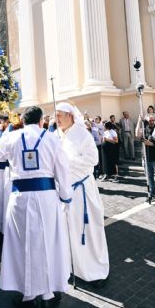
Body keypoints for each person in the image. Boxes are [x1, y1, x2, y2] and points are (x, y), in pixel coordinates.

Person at [0, 106, 73, 308]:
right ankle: (48, 293)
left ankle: (28, 294)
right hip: (46, 198)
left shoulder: (12, 137)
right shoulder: (52, 139)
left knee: (22, 243)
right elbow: (63, 169)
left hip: (20, 198)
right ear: (41, 121)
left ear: (22, 120)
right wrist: (66, 196)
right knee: (48, 242)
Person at [55, 103, 109, 286]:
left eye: (60, 115)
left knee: (87, 231)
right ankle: (73, 268)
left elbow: (92, 159)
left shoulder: (82, 134)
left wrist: (65, 161)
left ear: (70, 115)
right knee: (68, 231)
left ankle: (94, 270)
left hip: (83, 191)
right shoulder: (56, 136)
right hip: (65, 192)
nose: (57, 119)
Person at [135, 114, 155, 203]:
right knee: (149, 178)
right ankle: (152, 194)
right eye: (150, 120)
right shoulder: (144, 128)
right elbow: (137, 134)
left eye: (152, 120)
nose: (151, 122)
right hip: (146, 158)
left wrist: (148, 143)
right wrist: (139, 121)